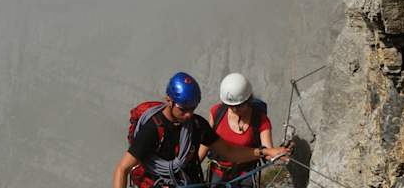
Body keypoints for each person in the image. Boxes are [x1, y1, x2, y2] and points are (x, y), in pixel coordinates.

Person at [112, 72, 288, 188]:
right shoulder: (153, 129)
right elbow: (123, 168)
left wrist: (266, 151)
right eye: (183, 109)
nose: (189, 114)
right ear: (169, 100)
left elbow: (229, 152)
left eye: (193, 108)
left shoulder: (196, 125)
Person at [205, 73, 273, 186]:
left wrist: (278, 154)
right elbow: (206, 142)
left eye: (240, 105)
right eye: (230, 106)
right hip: (217, 173)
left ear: (248, 99)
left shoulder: (260, 120)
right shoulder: (217, 113)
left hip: (244, 175)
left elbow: (268, 151)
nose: (235, 109)